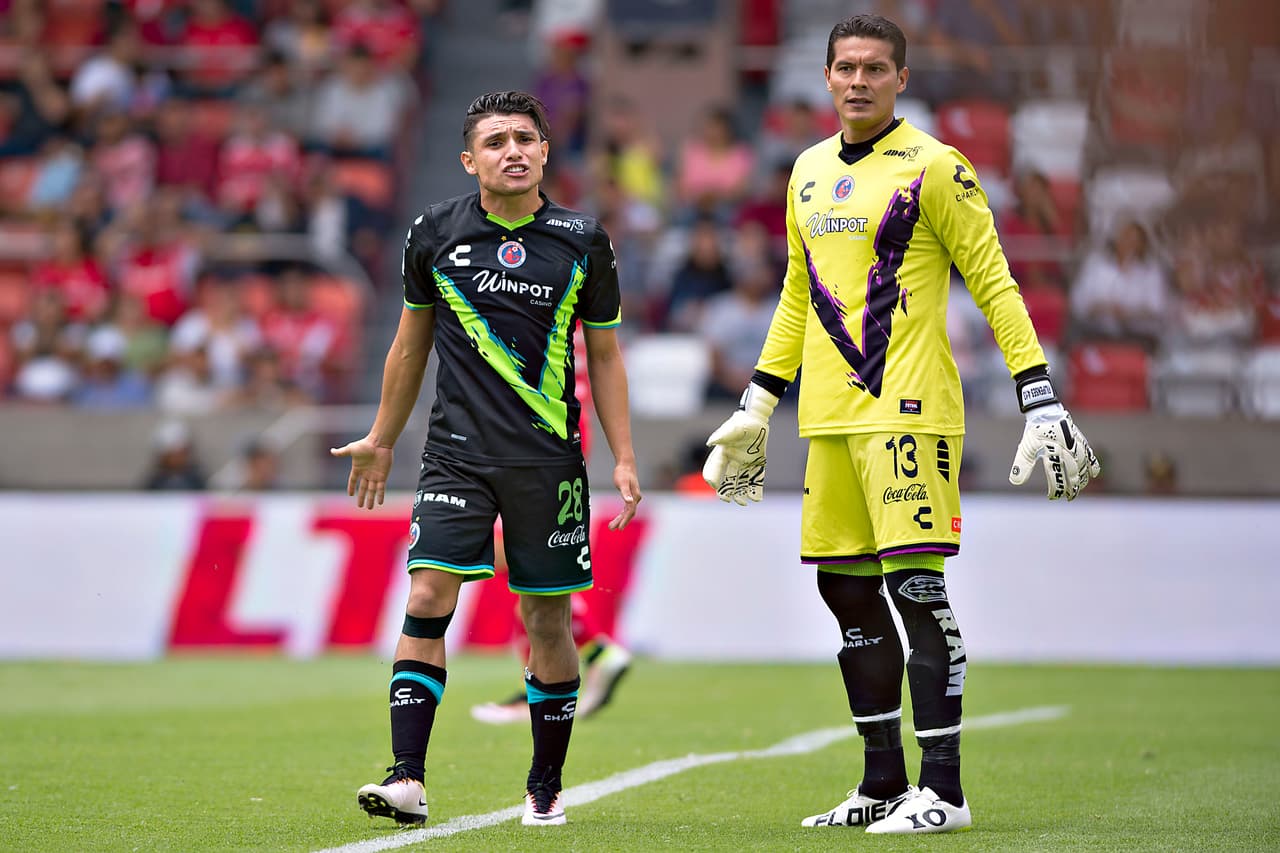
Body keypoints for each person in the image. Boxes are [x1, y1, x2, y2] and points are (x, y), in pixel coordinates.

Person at [700, 15, 1099, 835]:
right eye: (844, 66)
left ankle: (944, 790)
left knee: (916, 589)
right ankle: (882, 783)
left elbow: (994, 279)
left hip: (909, 411)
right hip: (831, 418)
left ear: (900, 80)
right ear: (825, 75)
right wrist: (757, 403)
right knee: (842, 587)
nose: (857, 81)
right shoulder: (805, 172)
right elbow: (797, 295)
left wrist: (1038, 391)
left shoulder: (936, 168)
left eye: (874, 68)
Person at [330, 90, 641, 828]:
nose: (513, 150)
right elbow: (409, 345)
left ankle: (546, 783)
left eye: (525, 138)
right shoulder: (433, 233)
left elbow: (605, 351)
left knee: (546, 619)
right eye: (496, 140)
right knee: (429, 595)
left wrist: (625, 455)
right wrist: (380, 436)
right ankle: (407, 776)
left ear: (543, 152)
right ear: (470, 158)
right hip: (454, 458)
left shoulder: (581, 239)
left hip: (548, 464)